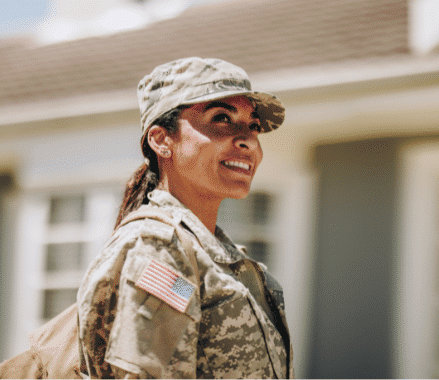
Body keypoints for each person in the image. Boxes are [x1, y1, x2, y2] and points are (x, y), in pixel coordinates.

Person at [76, 57, 291, 378]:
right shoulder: (160, 249)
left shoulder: (226, 260)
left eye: (254, 125)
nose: (248, 140)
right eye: (221, 118)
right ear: (162, 140)